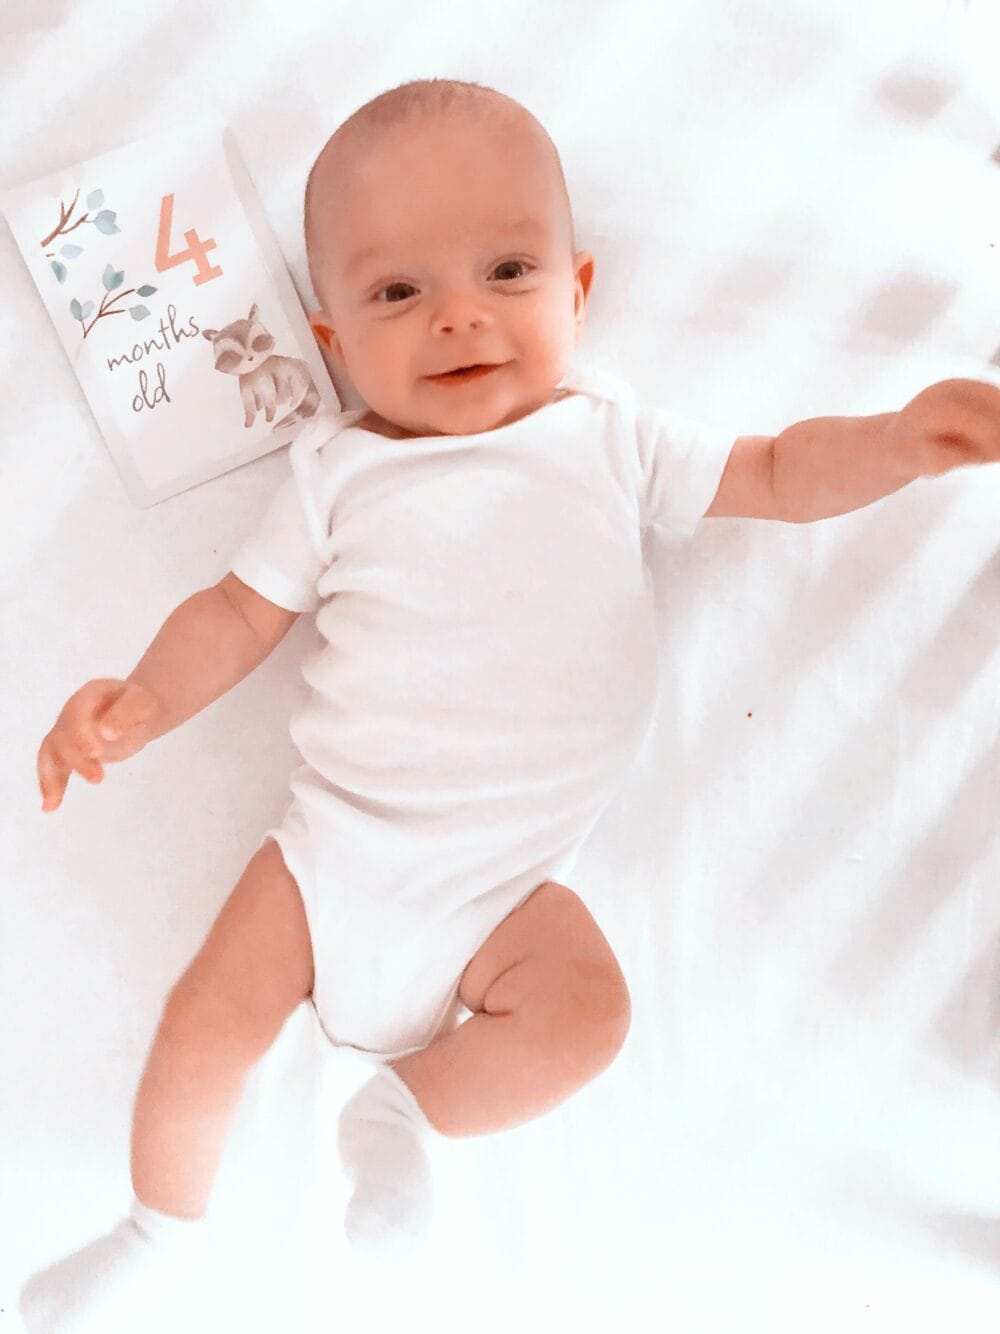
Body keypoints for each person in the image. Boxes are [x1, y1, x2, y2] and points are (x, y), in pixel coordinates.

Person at [20, 76, 998, 1334]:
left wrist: (901, 436)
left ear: (577, 292)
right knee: (202, 1027)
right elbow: (235, 613)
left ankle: (409, 1109)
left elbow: (772, 471)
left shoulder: (608, 439)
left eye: (506, 270)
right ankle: (155, 1231)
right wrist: (141, 699)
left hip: (505, 892)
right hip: (329, 853)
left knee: (589, 1013)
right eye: (395, 292)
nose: (456, 318)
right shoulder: (337, 472)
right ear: (329, 343)